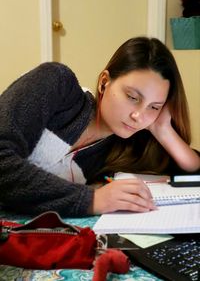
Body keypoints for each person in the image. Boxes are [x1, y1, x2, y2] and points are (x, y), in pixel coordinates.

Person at [0, 36, 199, 217]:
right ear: (104, 82)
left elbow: (192, 171)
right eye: (132, 97)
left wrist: (163, 130)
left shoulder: (122, 148)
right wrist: (92, 199)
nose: (138, 116)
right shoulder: (57, 83)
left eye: (154, 107)